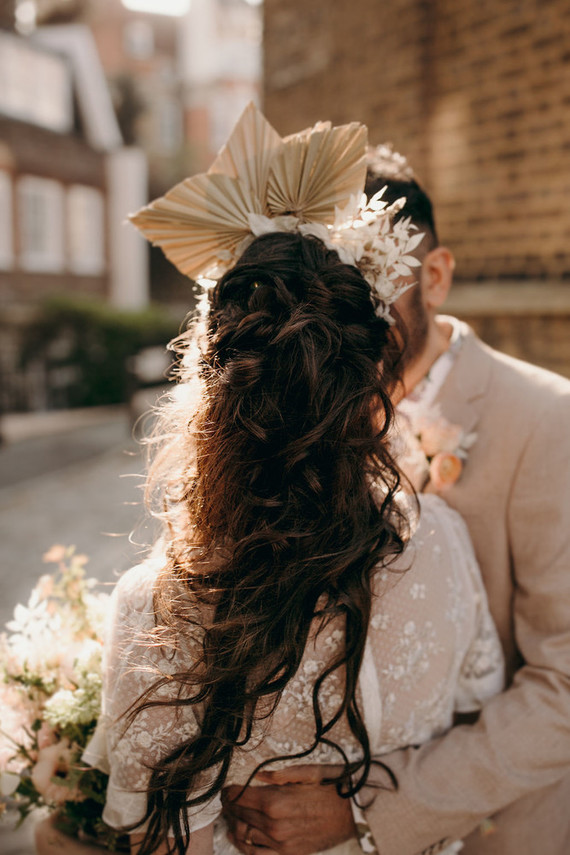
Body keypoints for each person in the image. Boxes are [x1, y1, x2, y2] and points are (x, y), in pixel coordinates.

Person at [32, 107, 507, 855]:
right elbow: (476, 712)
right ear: (371, 376)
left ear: (210, 391)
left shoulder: (159, 607)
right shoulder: (443, 541)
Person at [222, 147, 570, 855]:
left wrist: (368, 808)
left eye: (367, 282)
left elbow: (563, 684)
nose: (337, 309)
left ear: (434, 277)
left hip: (487, 832)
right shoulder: (293, 412)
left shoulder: (546, 421)